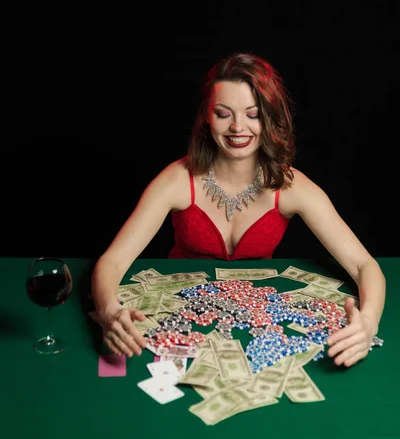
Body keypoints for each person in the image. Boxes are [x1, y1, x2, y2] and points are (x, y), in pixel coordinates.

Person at [91, 51, 386, 368]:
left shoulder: (291, 186)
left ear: (269, 118)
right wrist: (109, 310)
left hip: (259, 323)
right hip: (182, 315)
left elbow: (364, 265)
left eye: (253, 114)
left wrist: (368, 321)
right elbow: (113, 261)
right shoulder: (176, 180)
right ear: (207, 115)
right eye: (223, 113)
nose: (237, 127)